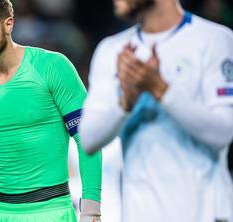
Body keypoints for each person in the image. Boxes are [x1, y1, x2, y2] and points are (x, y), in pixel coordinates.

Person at [79, 0, 233, 221]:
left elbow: (223, 132)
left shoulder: (214, 39)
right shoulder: (112, 50)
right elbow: (89, 139)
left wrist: (161, 90)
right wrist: (125, 102)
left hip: (204, 214)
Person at [0, 0, 102, 221]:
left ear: (8, 24)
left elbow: (88, 139)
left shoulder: (52, 66)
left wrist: (91, 210)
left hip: (51, 211)